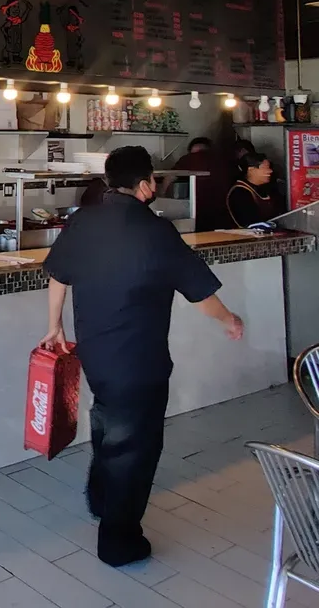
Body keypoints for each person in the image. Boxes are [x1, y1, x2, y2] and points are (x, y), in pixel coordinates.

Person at [40, 145, 244, 567]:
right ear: (145, 185)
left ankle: (100, 498)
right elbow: (201, 294)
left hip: (95, 352)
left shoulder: (83, 221)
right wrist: (228, 319)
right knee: (135, 446)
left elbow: (57, 274)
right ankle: (119, 540)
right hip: (139, 359)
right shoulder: (157, 231)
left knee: (109, 423)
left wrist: (54, 325)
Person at [160, 137, 230, 232]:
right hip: (224, 211)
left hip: (198, 211)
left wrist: (162, 197)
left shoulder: (188, 159)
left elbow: (169, 177)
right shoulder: (223, 160)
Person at [226, 151, 281, 227]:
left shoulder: (268, 188)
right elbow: (250, 222)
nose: (270, 171)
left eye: (270, 168)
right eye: (265, 168)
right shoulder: (240, 192)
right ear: (251, 170)